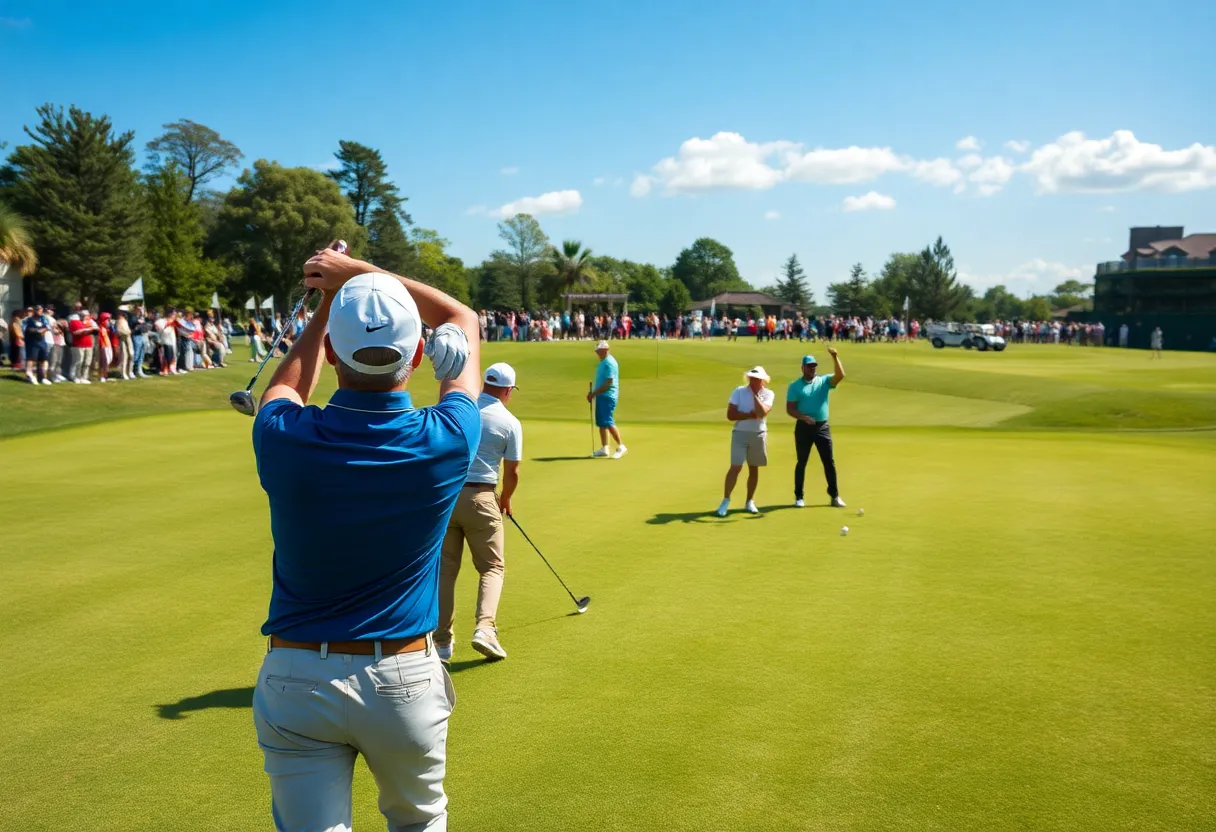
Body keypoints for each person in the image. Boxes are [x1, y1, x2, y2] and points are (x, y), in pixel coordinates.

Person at [250, 247, 480, 831]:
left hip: (296, 677)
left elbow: (286, 389)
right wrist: (361, 277)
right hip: (403, 679)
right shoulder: (448, 437)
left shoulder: (282, 436)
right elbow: (464, 320)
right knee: (418, 822)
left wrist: (330, 297)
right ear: (420, 353)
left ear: (331, 350)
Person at [437, 361, 522, 664]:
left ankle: (442, 644)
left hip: (448, 498)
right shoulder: (509, 421)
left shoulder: (462, 411)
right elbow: (512, 472)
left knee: (446, 571)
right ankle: (485, 629)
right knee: (492, 567)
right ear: (508, 390)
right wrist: (507, 499)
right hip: (483, 497)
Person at [786, 348, 847, 508]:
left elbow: (840, 376)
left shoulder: (823, 381)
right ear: (803, 368)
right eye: (809, 366)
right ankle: (799, 496)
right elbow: (790, 408)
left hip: (822, 427)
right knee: (802, 462)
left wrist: (835, 357)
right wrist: (802, 417)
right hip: (803, 427)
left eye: (814, 366)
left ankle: (834, 496)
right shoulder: (795, 386)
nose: (812, 368)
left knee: (828, 462)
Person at [716, 366, 774, 517]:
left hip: (758, 434)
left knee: (754, 469)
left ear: (762, 380)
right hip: (740, 434)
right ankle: (725, 500)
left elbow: (762, 413)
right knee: (735, 467)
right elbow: (730, 414)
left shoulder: (768, 394)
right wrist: (748, 415)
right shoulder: (739, 391)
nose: (753, 381)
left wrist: (755, 397)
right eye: (751, 378)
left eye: (756, 379)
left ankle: (749, 501)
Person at [587, 339, 627, 458]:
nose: (597, 352)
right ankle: (605, 448)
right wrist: (594, 393)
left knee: (608, 421)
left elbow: (608, 383)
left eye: (599, 350)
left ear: (605, 350)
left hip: (608, 395)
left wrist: (593, 393)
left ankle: (621, 446)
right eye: (597, 350)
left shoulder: (609, 362)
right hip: (601, 395)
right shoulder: (603, 362)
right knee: (602, 423)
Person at [22, 305, 52, 384]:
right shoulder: (28, 320)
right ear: (34, 311)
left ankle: (43, 377)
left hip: (42, 341)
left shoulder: (43, 318)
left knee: (44, 359)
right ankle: (30, 375)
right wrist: (36, 331)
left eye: (41, 310)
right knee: (32, 359)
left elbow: (48, 327)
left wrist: (42, 331)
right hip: (32, 342)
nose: (40, 312)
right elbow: (25, 330)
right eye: (38, 310)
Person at [68, 310, 98, 384]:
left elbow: (97, 329)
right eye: (84, 315)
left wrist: (89, 329)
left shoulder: (90, 322)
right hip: (79, 345)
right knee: (78, 361)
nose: (86, 317)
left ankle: (84, 377)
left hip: (88, 344)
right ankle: (75, 376)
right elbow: (76, 332)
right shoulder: (74, 322)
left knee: (87, 362)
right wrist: (87, 329)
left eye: (87, 315)